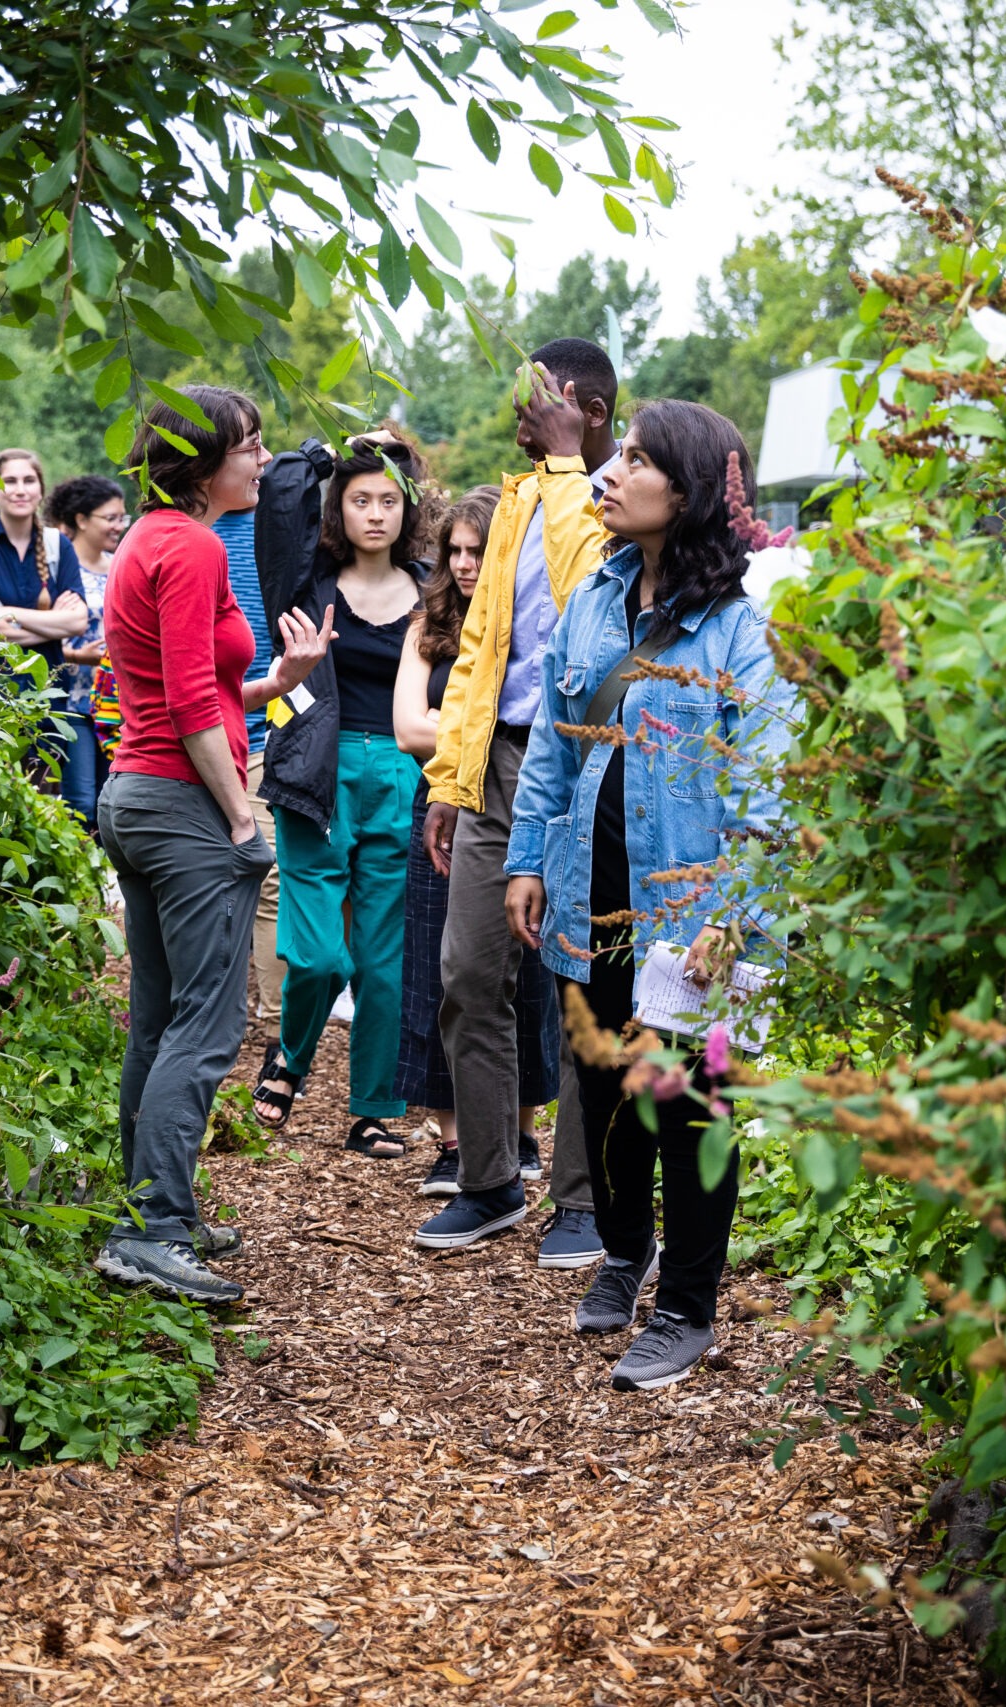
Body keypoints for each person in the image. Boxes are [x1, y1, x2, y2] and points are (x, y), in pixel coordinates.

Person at [503, 399, 794, 1390]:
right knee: (603, 1087)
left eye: (633, 459)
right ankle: (625, 1255)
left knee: (689, 1105)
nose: (608, 473)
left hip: (696, 916)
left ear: (691, 491)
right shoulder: (593, 599)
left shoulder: (741, 632)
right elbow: (552, 739)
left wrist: (735, 907)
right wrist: (530, 860)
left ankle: (686, 1308)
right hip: (592, 889)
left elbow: (772, 781)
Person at [93, 387, 332, 1305]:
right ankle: (152, 1234)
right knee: (208, 1022)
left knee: (160, 1019)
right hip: (185, 802)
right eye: (250, 445)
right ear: (201, 464)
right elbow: (191, 702)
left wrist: (282, 679)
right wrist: (242, 815)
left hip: (138, 793)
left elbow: (198, 687)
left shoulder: (144, 541)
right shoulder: (190, 545)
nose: (264, 459)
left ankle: (159, 1209)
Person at [413, 337, 622, 1265]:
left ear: (585, 408)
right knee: (468, 972)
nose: (516, 414)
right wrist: (451, 781)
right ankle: (490, 1179)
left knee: (577, 975)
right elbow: (480, 648)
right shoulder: (520, 500)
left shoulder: (618, 493)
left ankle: (582, 1200)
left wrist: (574, 461)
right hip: (498, 760)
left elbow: (589, 602)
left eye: (535, 401)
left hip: (583, 761)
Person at [246, 431, 434, 1156]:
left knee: (385, 956)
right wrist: (329, 450)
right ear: (340, 508)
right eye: (361, 500)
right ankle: (291, 1057)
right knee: (323, 955)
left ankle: (372, 1109)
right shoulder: (306, 582)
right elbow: (278, 494)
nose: (376, 514)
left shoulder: (429, 589)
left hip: (400, 772)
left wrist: (406, 459)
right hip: (314, 769)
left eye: (389, 500)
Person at [393, 486, 561, 1195]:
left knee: (526, 979)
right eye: (452, 550)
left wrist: (465, 724)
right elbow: (408, 726)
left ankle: (519, 1134)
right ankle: (456, 1140)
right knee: (445, 972)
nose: (463, 563)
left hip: (511, 797)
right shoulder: (428, 623)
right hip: (443, 799)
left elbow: (522, 717)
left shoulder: (520, 622)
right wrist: (482, 728)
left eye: (477, 549)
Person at [0, 448, 95, 791]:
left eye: (29, 480)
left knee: (44, 800)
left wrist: (9, 615)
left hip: (48, 697)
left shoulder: (58, 545)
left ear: (40, 489)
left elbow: (78, 622)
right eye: (10, 481)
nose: (20, 489)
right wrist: (50, 624)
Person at [216, 500, 287, 1033]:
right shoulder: (184, 533)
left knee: (271, 873)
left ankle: (273, 1022)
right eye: (250, 447)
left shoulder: (282, 522)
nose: (263, 460)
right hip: (199, 731)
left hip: (268, 729)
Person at [44, 474, 129, 832]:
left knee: (115, 799)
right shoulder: (58, 571)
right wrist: (79, 656)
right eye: (110, 518)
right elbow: (36, 642)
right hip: (72, 704)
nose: (118, 527)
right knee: (81, 804)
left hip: (118, 707)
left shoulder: (123, 566)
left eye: (121, 518)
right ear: (81, 520)